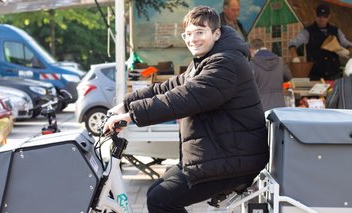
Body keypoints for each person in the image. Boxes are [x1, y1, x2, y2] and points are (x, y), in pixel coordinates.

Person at [103, 6, 269, 212]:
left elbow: (183, 97)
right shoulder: (207, 61)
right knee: (155, 192)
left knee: (161, 200)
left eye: (200, 32)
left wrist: (131, 116)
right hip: (221, 153)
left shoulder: (226, 64)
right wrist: (125, 104)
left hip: (233, 160)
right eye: (188, 34)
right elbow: (170, 86)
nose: (193, 39)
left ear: (216, 34)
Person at [289, 3, 352, 80]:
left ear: (329, 16)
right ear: (315, 15)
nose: (322, 19)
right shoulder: (308, 31)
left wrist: (348, 51)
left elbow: (348, 44)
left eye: (325, 16)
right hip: (315, 76)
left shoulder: (336, 31)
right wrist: (295, 57)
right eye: (319, 16)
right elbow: (292, 43)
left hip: (334, 75)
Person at [249, 38, 292, 111]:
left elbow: (249, 85)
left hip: (261, 106)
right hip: (280, 106)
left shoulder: (252, 64)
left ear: (252, 50)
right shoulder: (279, 61)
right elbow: (288, 76)